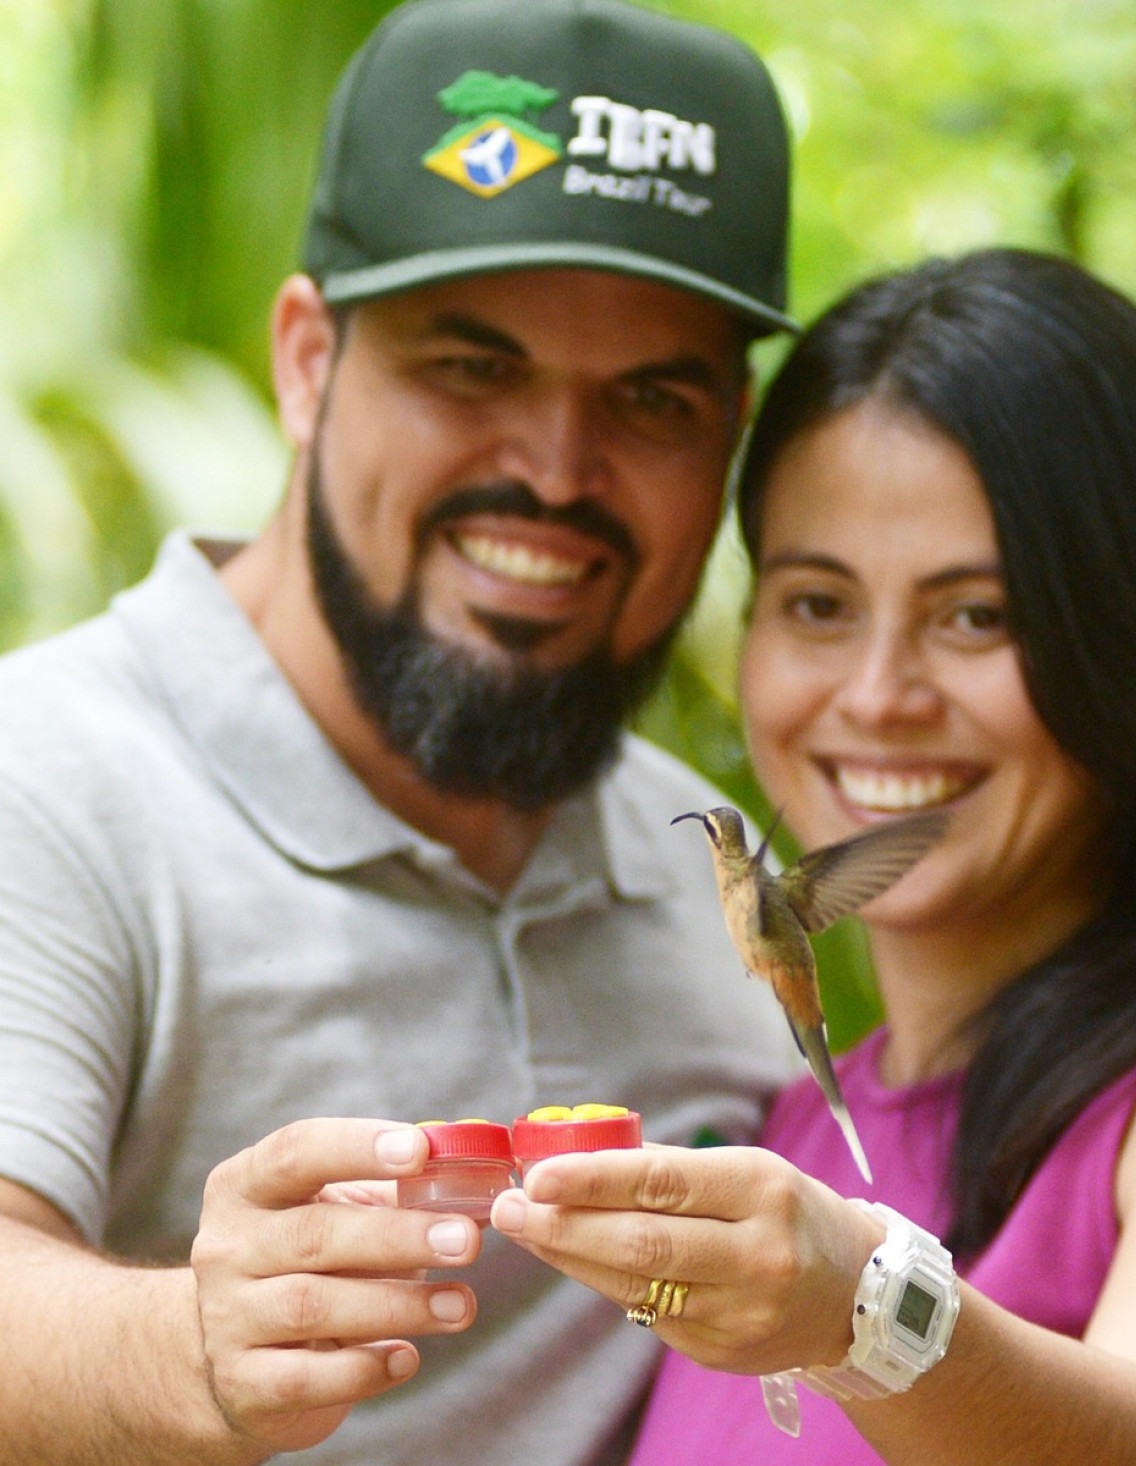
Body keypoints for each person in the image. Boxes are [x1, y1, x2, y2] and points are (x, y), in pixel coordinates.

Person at [0, 0, 802, 1461]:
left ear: (729, 444)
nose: (557, 471)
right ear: (307, 362)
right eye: (473, 366)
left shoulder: (716, 862)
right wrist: (191, 1341)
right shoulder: (45, 780)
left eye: (651, 398)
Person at [491, 247, 1136, 1462]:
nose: (877, 695)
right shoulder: (787, 1128)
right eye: (818, 602)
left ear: (1128, 634)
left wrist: (867, 1310)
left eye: (978, 614)